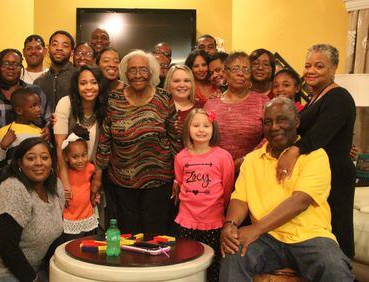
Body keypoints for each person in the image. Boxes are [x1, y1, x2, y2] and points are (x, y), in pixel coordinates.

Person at [219, 97, 353, 281]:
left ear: (296, 122)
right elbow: (240, 199)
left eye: (281, 120)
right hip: (266, 238)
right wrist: (230, 224)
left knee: (334, 265)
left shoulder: (315, 156)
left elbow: (301, 201)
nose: (274, 127)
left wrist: (255, 229)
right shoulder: (252, 160)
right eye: (268, 122)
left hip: (310, 236)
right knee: (233, 255)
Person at [277, 44, 357, 259]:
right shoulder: (315, 97)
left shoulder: (339, 96)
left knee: (337, 229)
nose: (311, 71)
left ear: (333, 68)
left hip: (335, 173)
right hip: (318, 173)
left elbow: (321, 134)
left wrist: (294, 151)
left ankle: (342, 272)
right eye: (308, 65)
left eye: (319, 66)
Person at [95, 50, 181, 235]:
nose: (138, 75)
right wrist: (98, 171)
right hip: (122, 180)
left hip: (159, 180)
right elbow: (105, 137)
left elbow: (175, 138)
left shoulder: (164, 98)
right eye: (132, 70)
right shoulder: (115, 99)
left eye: (143, 70)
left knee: (156, 233)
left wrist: (178, 176)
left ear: (151, 72)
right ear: (125, 73)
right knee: (129, 233)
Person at [0, 137, 65, 282]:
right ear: (19, 163)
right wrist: (34, 279)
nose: (39, 163)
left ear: (51, 162)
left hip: (26, 266)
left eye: (44, 157)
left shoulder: (56, 186)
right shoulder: (13, 190)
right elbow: (7, 248)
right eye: (31, 158)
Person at [172, 108, 234, 282]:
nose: (201, 130)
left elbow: (227, 189)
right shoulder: (181, 157)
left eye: (206, 126)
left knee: (213, 266)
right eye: (196, 125)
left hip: (213, 223)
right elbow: (181, 183)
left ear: (213, 128)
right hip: (186, 221)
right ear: (187, 129)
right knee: (187, 265)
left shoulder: (223, 157)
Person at [0, 48, 50, 193]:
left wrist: (48, 129)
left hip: (30, 172)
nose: (11, 68)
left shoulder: (34, 92)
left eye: (16, 64)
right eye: (6, 64)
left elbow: (47, 119)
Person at [53, 66, 107, 209]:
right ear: (76, 86)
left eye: (94, 82)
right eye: (83, 83)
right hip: (67, 171)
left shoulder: (105, 106)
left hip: (92, 172)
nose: (89, 87)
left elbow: (105, 146)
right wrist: (65, 183)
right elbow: (60, 146)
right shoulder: (66, 103)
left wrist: (97, 177)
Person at [205, 52, 269, 170]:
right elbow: (203, 138)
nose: (240, 73)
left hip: (253, 168)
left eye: (246, 70)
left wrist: (246, 159)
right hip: (216, 170)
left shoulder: (263, 102)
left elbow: (270, 136)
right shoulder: (211, 104)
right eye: (236, 69)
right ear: (225, 73)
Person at [61, 131, 101, 240]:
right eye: (75, 157)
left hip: (87, 214)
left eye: (83, 155)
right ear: (66, 157)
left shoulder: (89, 168)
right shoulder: (63, 174)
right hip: (70, 217)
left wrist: (96, 192)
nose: (80, 161)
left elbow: (98, 171)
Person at [0, 88, 43, 172]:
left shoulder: (40, 131)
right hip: (13, 182)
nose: (38, 109)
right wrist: (2, 147)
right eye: (33, 106)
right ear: (19, 110)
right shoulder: (5, 132)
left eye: (38, 105)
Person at [34, 30, 77, 110]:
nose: (59, 48)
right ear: (48, 49)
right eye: (55, 44)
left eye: (65, 45)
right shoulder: (39, 82)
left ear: (72, 52)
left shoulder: (79, 78)